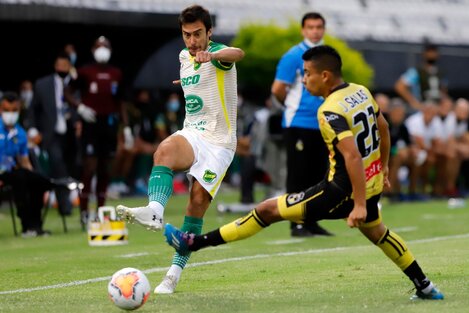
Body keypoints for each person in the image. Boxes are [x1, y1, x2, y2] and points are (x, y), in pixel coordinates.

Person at [163, 45, 444, 301]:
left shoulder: (329, 110)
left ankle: (194, 242)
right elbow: (382, 127)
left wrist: (357, 205)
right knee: (378, 233)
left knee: (266, 210)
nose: (304, 80)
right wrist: (381, 168)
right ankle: (425, 286)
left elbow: (352, 156)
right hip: (369, 184)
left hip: (340, 190)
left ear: (325, 75)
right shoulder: (361, 91)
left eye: (307, 74)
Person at [116, 4, 245, 294]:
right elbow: (196, 77)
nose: (192, 41)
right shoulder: (183, 56)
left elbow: (237, 54)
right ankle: (154, 210)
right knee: (164, 150)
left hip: (220, 142)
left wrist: (212, 55)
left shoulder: (218, 54)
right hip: (193, 133)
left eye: (198, 34)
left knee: (196, 202)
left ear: (209, 32)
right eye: (187, 34)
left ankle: (173, 275)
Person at [271, 12, 332, 237]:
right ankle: (296, 223)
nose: (315, 31)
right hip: (298, 123)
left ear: (323, 29)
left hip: (323, 123)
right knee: (298, 175)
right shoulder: (293, 55)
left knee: (319, 175)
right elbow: (278, 88)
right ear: (303, 30)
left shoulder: (327, 55)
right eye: (310, 27)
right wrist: (291, 108)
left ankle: (312, 221)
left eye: (319, 27)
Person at [64, 36, 131, 225]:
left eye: (106, 47)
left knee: (104, 169)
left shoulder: (116, 73)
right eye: (99, 46)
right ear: (93, 49)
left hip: (109, 124)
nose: (102, 50)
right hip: (90, 123)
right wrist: (79, 108)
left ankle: (101, 210)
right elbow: (67, 91)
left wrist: (126, 128)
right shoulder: (85, 71)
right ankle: (84, 211)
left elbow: (121, 102)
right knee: (89, 167)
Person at [28, 52, 77, 216]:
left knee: (71, 166)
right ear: (55, 66)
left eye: (65, 66)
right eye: (59, 65)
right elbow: (33, 109)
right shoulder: (42, 85)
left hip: (71, 134)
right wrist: (33, 129)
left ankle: (69, 199)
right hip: (51, 134)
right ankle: (65, 205)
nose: (62, 69)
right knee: (58, 165)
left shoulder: (76, 84)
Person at [0, 92, 54, 237]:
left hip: (13, 172)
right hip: (3, 172)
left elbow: (24, 161)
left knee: (40, 181)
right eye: (6, 110)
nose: (10, 114)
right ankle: (26, 226)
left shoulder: (20, 133)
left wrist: (34, 176)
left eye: (14, 110)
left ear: (19, 110)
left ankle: (35, 225)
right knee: (21, 179)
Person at [394, 43, 448, 113]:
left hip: (436, 110)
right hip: (422, 110)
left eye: (434, 52)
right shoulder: (416, 72)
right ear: (424, 54)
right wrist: (414, 102)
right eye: (429, 52)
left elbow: (443, 91)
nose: (431, 54)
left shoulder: (440, 73)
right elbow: (399, 86)